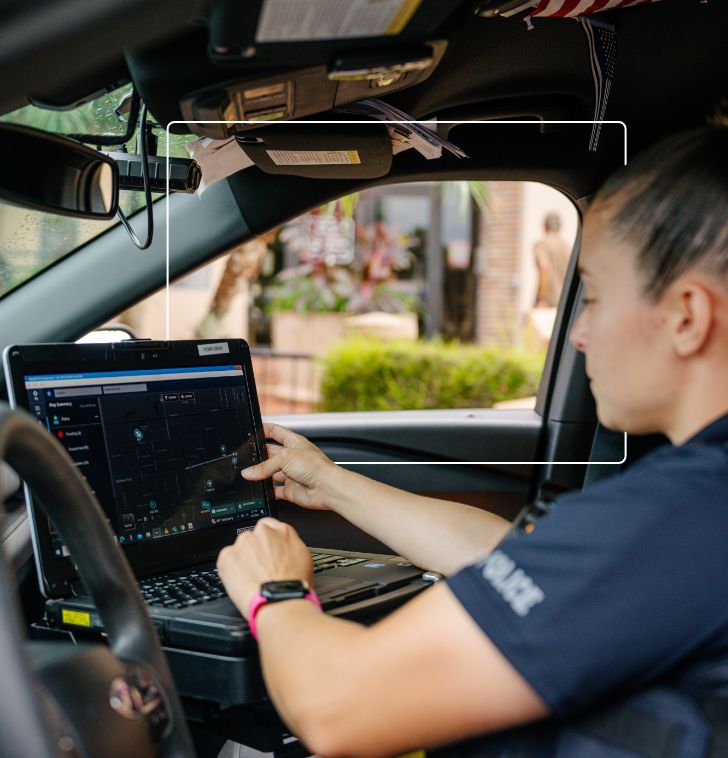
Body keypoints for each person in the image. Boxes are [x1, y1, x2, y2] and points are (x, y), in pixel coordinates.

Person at [216, 126, 728, 758]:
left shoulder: (683, 513)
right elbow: (522, 558)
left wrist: (276, 591)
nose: (579, 334)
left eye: (592, 298)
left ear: (687, 317)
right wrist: (330, 481)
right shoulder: (693, 512)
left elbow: (337, 706)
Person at [533, 212, 571, 308]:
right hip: (565, 301)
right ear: (559, 228)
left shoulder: (541, 245)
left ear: (545, 227)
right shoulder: (567, 247)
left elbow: (544, 267)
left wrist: (541, 298)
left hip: (548, 302)